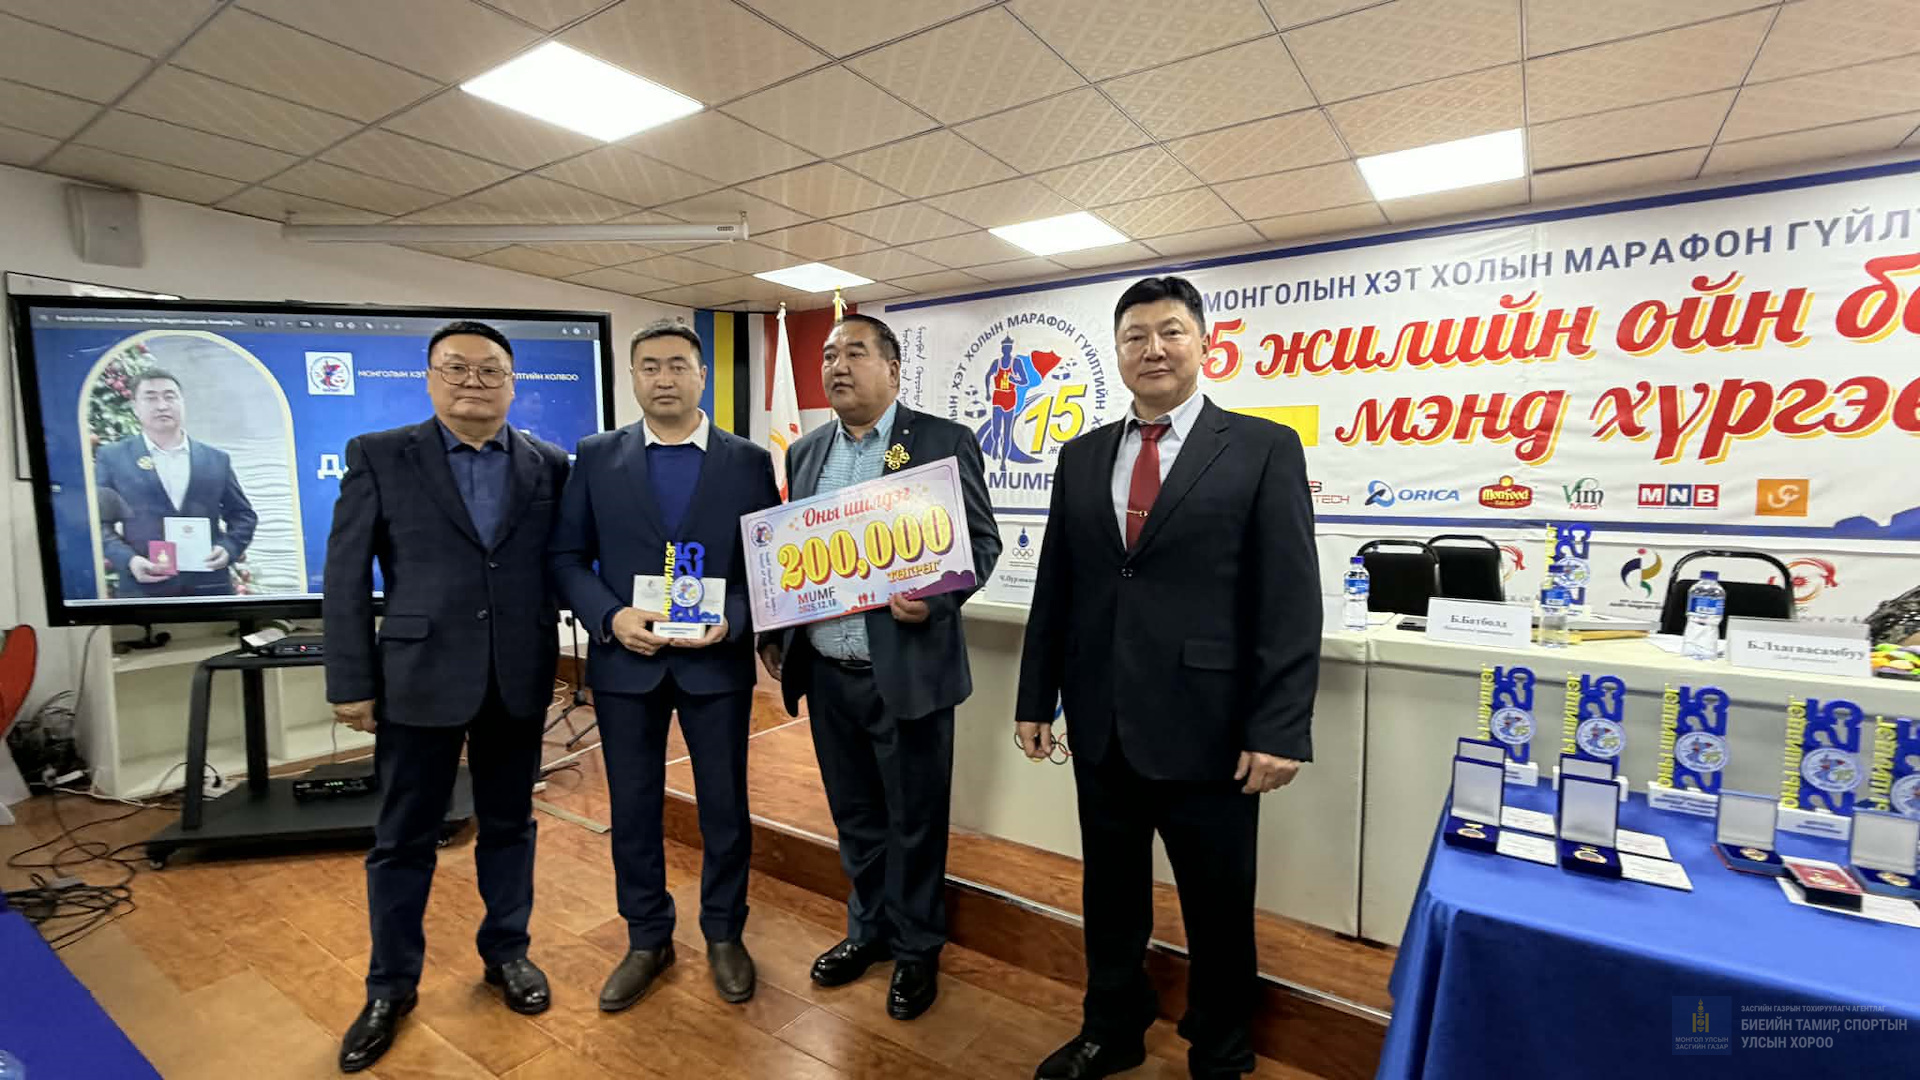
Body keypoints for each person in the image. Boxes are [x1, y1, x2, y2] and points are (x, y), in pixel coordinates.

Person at [1013, 276, 1320, 1080]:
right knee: (1110, 896)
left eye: (1171, 332)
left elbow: (1290, 600)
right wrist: (1035, 695)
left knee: (1218, 903)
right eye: (1135, 336)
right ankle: (1111, 1028)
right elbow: (1058, 584)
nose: (1153, 349)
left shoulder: (1262, 447)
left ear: (1205, 344)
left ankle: (1220, 1046)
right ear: (1117, 352)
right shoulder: (1082, 456)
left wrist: (1280, 727)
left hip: (1211, 728)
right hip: (1101, 723)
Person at [323, 320, 571, 1074]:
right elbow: (345, 576)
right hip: (417, 680)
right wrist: (351, 681)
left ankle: (508, 954)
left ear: (512, 383)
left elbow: (564, 561)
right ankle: (389, 988)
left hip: (517, 676)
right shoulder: (379, 455)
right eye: (456, 368)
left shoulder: (549, 464)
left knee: (510, 826)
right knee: (402, 839)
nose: (473, 382)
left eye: (490, 370)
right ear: (430, 379)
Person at [757, 313, 999, 1021]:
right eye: (829, 355)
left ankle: (918, 949)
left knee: (915, 821)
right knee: (855, 818)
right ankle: (868, 931)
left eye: (854, 353)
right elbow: (792, 553)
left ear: (893, 370)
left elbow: (981, 544)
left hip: (909, 672)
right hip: (829, 674)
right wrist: (776, 626)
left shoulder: (941, 441)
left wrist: (936, 597)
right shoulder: (807, 451)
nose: (837, 366)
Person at [549, 319, 780, 1011]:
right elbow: (566, 557)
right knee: (634, 807)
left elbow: (766, 560)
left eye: (678, 365)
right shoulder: (596, 456)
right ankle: (647, 937)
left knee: (725, 809)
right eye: (649, 366)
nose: (664, 378)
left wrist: (733, 618)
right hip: (628, 664)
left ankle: (724, 933)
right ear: (633, 377)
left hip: (715, 666)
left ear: (701, 375)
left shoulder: (746, 462)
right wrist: (611, 617)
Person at [94, 368, 256, 597]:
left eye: (170, 396)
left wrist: (229, 548)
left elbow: (243, 515)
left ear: (182, 403)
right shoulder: (113, 457)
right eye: (151, 398)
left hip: (209, 587)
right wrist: (129, 560)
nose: (162, 405)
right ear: (135, 407)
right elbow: (98, 522)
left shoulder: (216, 459)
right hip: (144, 588)